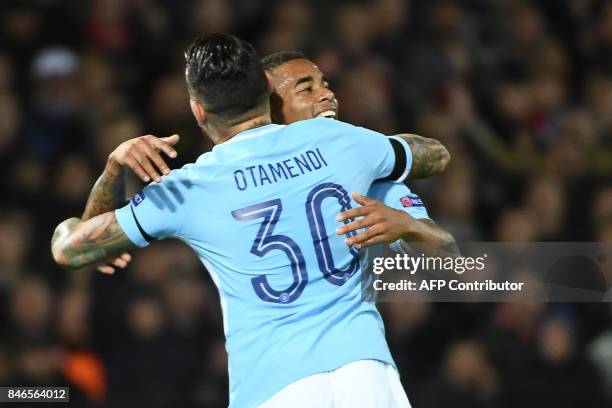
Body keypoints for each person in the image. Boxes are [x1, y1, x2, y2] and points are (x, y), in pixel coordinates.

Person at [52, 33, 419, 407]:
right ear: (265, 85)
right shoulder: (338, 139)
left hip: (274, 386)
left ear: (198, 110)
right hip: (367, 376)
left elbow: (70, 250)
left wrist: (113, 169)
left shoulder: (188, 188)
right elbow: (431, 154)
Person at [261, 51, 456, 256]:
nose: (328, 95)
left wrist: (409, 226)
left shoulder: (362, 168)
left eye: (325, 85)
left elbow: (451, 261)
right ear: (270, 110)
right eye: (306, 89)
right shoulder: (240, 173)